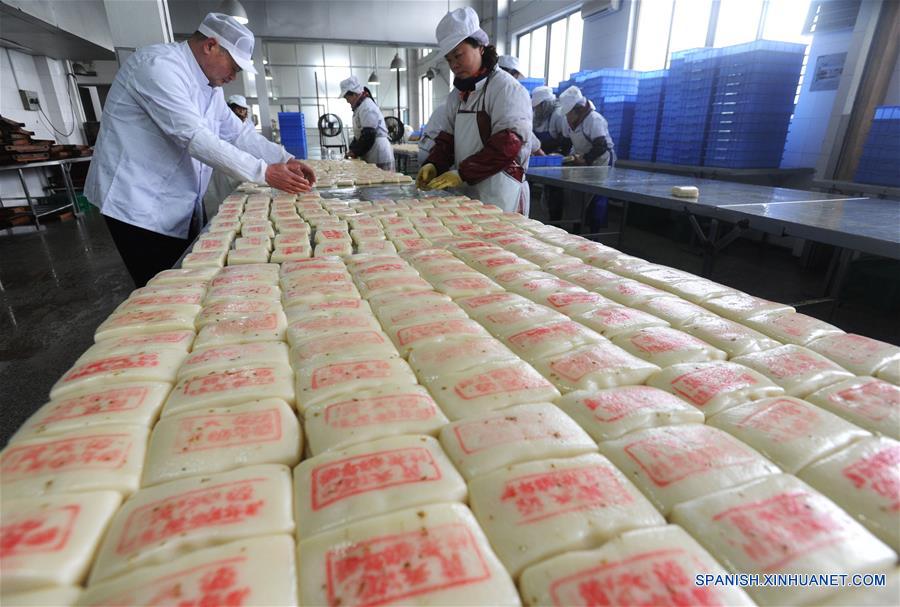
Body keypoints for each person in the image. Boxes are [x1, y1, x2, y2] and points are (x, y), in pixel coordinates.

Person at [85, 12, 315, 288]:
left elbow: (237, 133)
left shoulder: (209, 86)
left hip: (179, 200)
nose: (234, 76)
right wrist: (264, 172)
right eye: (234, 66)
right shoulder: (158, 67)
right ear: (210, 45)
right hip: (140, 204)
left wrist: (286, 158)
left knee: (189, 283)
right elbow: (194, 137)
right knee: (162, 291)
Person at [416, 7, 532, 214]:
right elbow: (447, 139)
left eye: (458, 55)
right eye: (449, 59)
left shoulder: (505, 88)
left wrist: (463, 173)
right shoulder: (457, 96)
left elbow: (508, 143)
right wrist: (434, 163)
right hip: (468, 189)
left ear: (480, 46)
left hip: (502, 191)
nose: (454, 65)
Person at [203, 94, 251, 212]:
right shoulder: (220, 122)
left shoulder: (247, 124)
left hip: (241, 166)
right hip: (221, 169)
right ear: (230, 108)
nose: (241, 111)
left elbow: (251, 143)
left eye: (243, 109)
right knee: (220, 202)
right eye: (237, 108)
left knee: (240, 200)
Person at [340, 75, 394, 171]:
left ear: (354, 94)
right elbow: (361, 135)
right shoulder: (360, 107)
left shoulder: (367, 107)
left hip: (378, 153)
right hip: (372, 151)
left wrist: (355, 152)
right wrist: (352, 149)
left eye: (347, 98)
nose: (347, 101)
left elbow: (369, 134)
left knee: (384, 183)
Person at [558, 85, 615, 166]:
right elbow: (566, 142)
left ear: (578, 110)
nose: (568, 117)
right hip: (582, 157)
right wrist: (560, 155)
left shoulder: (594, 119)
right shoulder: (566, 120)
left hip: (600, 160)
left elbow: (601, 146)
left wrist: (586, 159)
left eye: (569, 113)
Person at [531, 86, 569, 154]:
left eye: (538, 106)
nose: (536, 109)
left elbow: (564, 140)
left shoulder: (558, 115)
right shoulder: (535, 115)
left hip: (553, 154)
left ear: (545, 104)